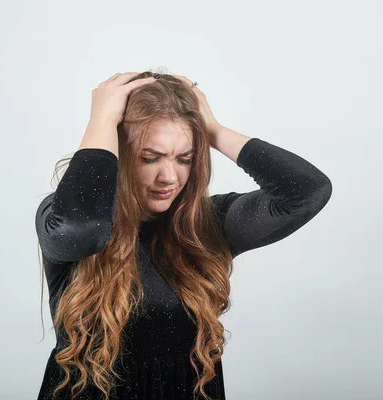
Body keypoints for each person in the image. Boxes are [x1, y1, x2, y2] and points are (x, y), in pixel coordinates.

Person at [34, 71, 333, 400]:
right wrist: (103, 119)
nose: (169, 177)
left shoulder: (207, 224)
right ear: (117, 151)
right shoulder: (64, 214)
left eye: (184, 159)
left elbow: (308, 192)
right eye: (150, 158)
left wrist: (214, 131)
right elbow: (82, 231)